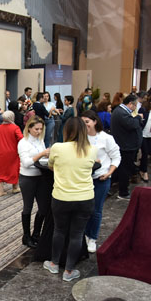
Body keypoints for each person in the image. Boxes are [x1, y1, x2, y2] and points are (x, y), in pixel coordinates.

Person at [44, 117, 97, 282]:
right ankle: (69, 271)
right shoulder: (91, 149)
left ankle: (54, 264)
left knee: (59, 231)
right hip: (85, 198)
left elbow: (51, 165)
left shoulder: (57, 148)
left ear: (66, 131)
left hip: (61, 197)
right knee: (77, 234)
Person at [80, 111, 120, 253]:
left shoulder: (106, 138)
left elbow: (116, 157)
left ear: (95, 121)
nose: (85, 125)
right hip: (84, 179)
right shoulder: (80, 137)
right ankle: (83, 235)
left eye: (87, 122)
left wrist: (109, 172)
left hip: (101, 178)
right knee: (84, 209)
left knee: (96, 209)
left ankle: (92, 237)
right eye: (82, 122)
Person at [18, 116, 50, 248]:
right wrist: (41, 154)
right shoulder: (23, 143)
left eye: (41, 129)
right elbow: (26, 163)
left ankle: (36, 234)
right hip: (27, 177)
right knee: (28, 206)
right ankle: (26, 236)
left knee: (43, 207)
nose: (39, 131)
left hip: (40, 176)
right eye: (36, 129)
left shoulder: (40, 140)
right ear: (29, 128)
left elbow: (40, 159)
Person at [111, 94, 143, 200]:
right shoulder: (121, 113)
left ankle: (114, 187)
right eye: (135, 105)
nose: (135, 108)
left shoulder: (120, 111)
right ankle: (123, 192)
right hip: (125, 146)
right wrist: (138, 117)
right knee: (125, 170)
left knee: (121, 169)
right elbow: (132, 124)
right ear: (130, 104)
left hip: (126, 145)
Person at [0, 110, 23, 196]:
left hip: (1, 153)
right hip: (13, 153)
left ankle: (0, 191)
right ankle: (15, 187)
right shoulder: (15, 128)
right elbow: (21, 139)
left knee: (0, 171)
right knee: (14, 169)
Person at [139, 95, 151, 181]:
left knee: (148, 153)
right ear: (150, 101)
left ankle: (142, 169)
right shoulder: (143, 110)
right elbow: (140, 121)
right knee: (145, 153)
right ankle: (144, 171)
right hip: (144, 134)